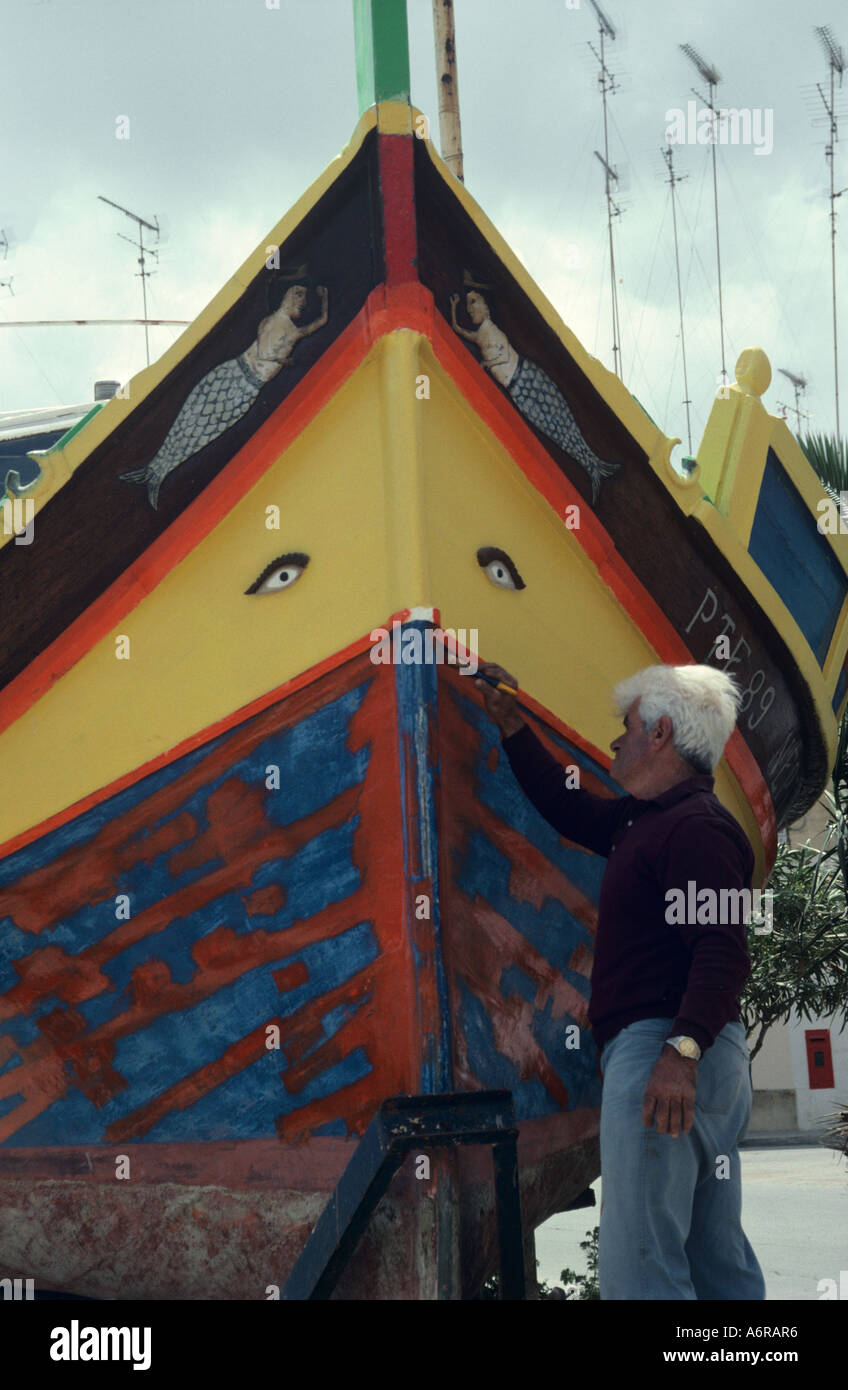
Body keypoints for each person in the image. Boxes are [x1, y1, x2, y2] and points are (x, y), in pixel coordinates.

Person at [475, 659, 766, 1301]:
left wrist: (678, 1055)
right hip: (701, 1054)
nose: (614, 740)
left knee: (643, 1267)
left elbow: (723, 951)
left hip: (669, 1050)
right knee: (713, 1260)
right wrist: (512, 724)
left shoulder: (694, 830)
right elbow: (569, 808)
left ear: (659, 733)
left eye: (626, 726)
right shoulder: (649, 822)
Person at [121, 282, 329, 509]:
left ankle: (158, 473)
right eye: (297, 295)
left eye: (304, 297)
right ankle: (155, 470)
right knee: (190, 423)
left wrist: (325, 302)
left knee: (203, 434)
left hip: (247, 390)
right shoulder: (273, 322)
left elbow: (317, 325)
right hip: (232, 379)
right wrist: (283, 360)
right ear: (285, 298)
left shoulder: (290, 328)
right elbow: (264, 352)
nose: (303, 302)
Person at [449, 287, 620, 503]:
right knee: (552, 430)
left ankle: (593, 464)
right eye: (467, 304)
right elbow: (458, 329)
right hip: (518, 391)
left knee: (562, 423)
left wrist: (488, 363)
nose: (469, 309)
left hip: (527, 379)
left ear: (486, 308)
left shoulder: (493, 331)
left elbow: (502, 355)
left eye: (473, 302)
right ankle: (592, 468)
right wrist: (454, 308)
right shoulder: (480, 334)